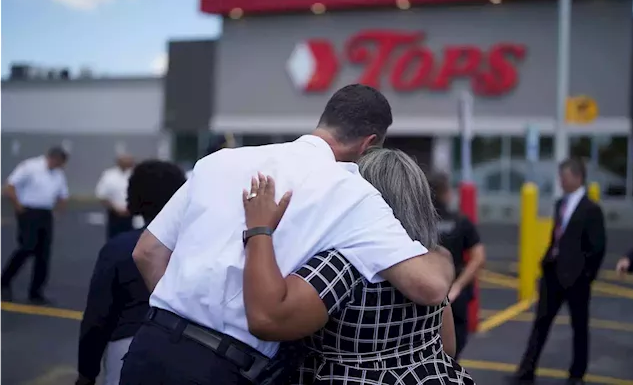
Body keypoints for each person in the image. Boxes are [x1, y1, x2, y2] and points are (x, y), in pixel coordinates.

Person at [121, 84, 455, 384]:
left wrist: (182, 320)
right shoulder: (351, 194)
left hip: (149, 345)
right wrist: (441, 254)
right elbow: (429, 287)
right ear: (368, 145)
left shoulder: (219, 161)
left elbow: (147, 252)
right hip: (224, 366)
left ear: (324, 120)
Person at [240, 149, 474, 384]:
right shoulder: (427, 260)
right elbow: (447, 346)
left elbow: (269, 319)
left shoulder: (343, 264)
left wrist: (259, 231)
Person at [76, 160, 186, 385]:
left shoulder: (119, 248)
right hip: (191, 351)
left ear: (134, 197)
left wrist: (86, 372)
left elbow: (97, 317)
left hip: (129, 350)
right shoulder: (197, 246)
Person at [508, 158, 606, 385]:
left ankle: (576, 375)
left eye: (564, 176)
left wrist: (586, 276)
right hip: (553, 275)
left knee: (579, 328)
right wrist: (545, 264)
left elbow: (598, 247)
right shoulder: (560, 203)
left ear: (578, 177)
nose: (561, 181)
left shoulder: (591, 209)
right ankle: (526, 372)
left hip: (577, 280)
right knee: (540, 325)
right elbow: (557, 237)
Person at [0, 146, 69, 304]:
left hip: (45, 213)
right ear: (52, 158)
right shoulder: (30, 167)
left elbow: (63, 194)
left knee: (43, 253)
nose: (61, 166)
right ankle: (4, 281)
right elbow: (10, 185)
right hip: (28, 211)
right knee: (27, 247)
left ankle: (36, 291)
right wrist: (18, 206)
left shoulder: (58, 174)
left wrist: (59, 211)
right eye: (60, 162)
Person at [429, 172, 486, 360]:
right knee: (453, 350)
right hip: (454, 294)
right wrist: (458, 286)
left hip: (424, 290)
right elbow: (479, 257)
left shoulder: (418, 222)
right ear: (447, 193)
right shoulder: (461, 221)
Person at [95, 154, 137, 240]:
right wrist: (115, 208)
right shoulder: (109, 175)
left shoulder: (135, 175)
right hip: (114, 213)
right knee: (114, 238)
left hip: (132, 212)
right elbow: (102, 195)